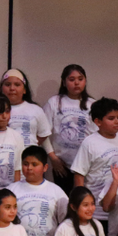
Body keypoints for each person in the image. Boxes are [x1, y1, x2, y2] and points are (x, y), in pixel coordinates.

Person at [70, 97, 118, 226]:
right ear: (98, 121)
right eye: (111, 118)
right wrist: (82, 205)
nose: (117, 122)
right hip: (96, 210)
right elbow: (79, 175)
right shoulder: (90, 142)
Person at [43, 64, 97, 196]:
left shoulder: (92, 104)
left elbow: (97, 136)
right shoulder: (54, 102)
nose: (76, 83)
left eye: (80, 79)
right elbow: (43, 132)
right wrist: (53, 157)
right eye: (72, 79)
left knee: (82, 199)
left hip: (86, 164)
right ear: (64, 82)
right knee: (64, 200)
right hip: (62, 165)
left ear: (85, 81)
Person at [0, 68, 52, 150]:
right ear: (1, 89)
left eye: (17, 85)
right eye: (8, 84)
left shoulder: (36, 110)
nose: (12, 88)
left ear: (24, 90)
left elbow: (43, 134)